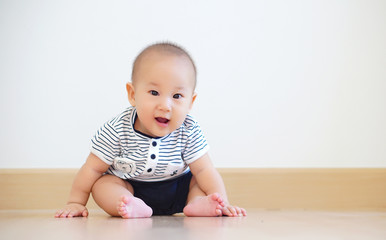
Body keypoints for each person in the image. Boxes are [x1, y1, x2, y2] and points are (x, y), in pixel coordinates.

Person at [55, 42, 247, 218]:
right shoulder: (117, 129)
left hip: (178, 188)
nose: (165, 105)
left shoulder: (189, 129)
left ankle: (196, 203)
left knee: (198, 181)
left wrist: (223, 202)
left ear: (191, 102)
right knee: (102, 185)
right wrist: (76, 202)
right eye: (154, 93)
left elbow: (205, 169)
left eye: (177, 95)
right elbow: (92, 168)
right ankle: (131, 206)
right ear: (132, 94)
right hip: (131, 190)